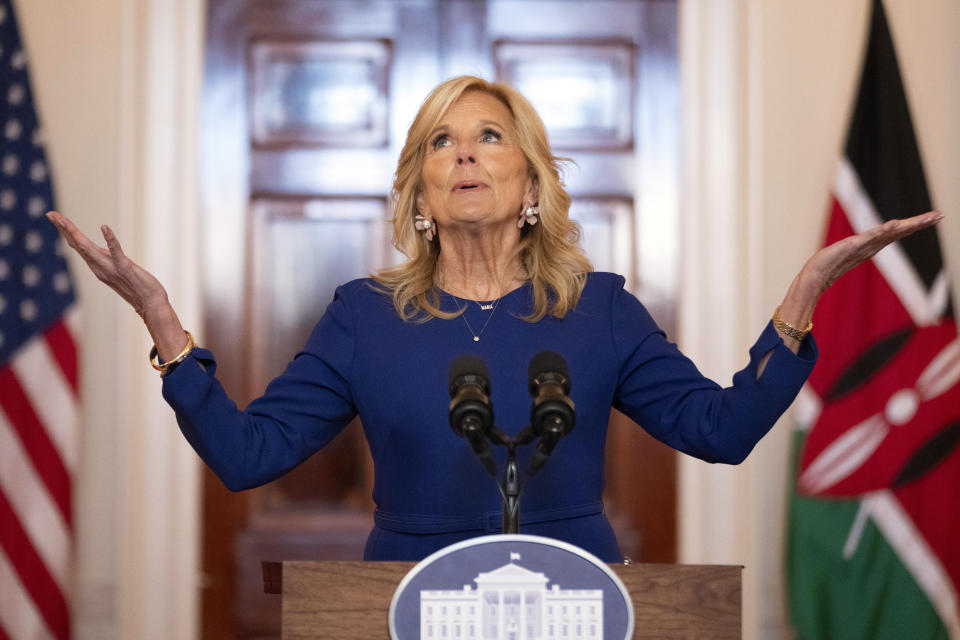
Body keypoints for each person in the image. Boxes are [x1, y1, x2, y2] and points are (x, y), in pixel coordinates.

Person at [47, 75, 943, 562]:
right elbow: (248, 458)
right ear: (421, 193)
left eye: (488, 137)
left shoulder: (600, 310)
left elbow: (722, 428)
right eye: (440, 140)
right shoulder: (362, 317)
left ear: (530, 185)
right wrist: (161, 319)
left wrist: (802, 299)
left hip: (577, 599)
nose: (464, 152)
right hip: (403, 603)